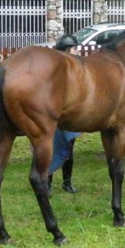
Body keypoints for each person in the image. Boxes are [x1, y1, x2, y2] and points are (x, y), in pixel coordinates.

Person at [48, 34, 82, 194]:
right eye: (75, 48)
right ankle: (47, 183)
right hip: (54, 115)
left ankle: (67, 182)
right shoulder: (55, 68)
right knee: (51, 149)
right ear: (67, 50)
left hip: (70, 115)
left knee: (69, 149)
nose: (77, 51)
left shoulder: (76, 68)